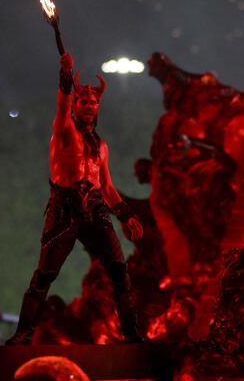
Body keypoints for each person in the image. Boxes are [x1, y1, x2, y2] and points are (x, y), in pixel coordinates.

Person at [9, 52, 144, 344]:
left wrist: (126, 214)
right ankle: (22, 334)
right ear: (75, 104)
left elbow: (106, 186)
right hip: (64, 208)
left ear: (98, 107)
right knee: (44, 275)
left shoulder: (102, 147)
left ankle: (132, 336)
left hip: (95, 209)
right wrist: (65, 77)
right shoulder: (63, 131)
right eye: (83, 101)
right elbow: (60, 106)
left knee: (120, 271)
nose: (88, 105)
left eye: (93, 102)